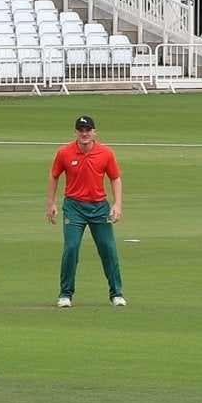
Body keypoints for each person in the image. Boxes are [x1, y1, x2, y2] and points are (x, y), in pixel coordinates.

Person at [46, 114, 125, 307]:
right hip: (74, 207)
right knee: (71, 248)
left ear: (94, 132)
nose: (84, 134)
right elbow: (54, 176)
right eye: (81, 130)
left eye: (88, 130)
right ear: (76, 132)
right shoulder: (65, 153)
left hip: (99, 207)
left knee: (108, 248)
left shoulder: (105, 153)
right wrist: (51, 203)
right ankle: (65, 294)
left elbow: (115, 178)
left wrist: (117, 204)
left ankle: (116, 293)